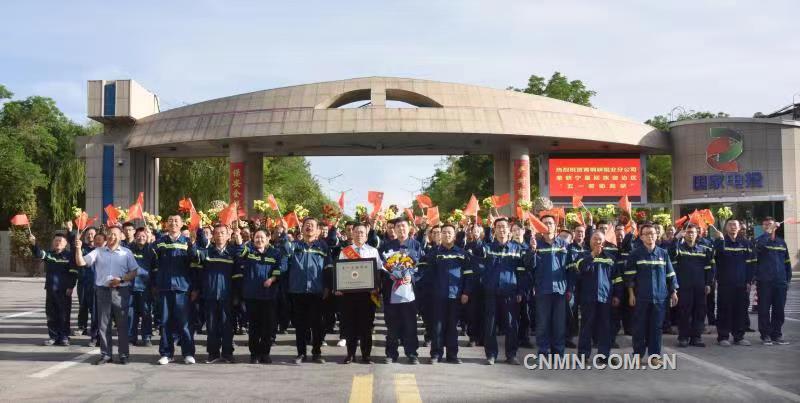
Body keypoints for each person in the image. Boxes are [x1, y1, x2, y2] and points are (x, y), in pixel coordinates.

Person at [75, 227, 139, 365]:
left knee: (122, 325)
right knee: (104, 325)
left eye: (115, 234)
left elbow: (134, 271)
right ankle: (106, 355)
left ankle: (123, 354)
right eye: (110, 234)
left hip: (121, 292)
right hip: (102, 291)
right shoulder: (98, 251)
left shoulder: (126, 253)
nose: (112, 237)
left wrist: (121, 280)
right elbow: (81, 262)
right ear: (106, 236)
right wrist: (78, 248)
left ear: (121, 236)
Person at [474, 217, 528, 365]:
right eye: (498, 227)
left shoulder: (517, 249)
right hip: (491, 292)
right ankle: (491, 355)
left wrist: (520, 291)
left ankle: (511, 355)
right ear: (494, 230)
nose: (502, 229)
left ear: (509, 230)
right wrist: (478, 236)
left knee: (511, 325)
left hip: (510, 293)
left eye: (504, 227)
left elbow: (522, 272)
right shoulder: (488, 248)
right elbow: (477, 252)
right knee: (490, 325)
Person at [624, 223, 678, 365]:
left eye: (652, 233)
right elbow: (629, 277)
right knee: (639, 327)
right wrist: (631, 294)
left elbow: (670, 274)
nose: (650, 236)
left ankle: (654, 356)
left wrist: (673, 292)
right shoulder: (635, 254)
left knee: (656, 328)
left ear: (657, 235)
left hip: (660, 298)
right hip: (641, 297)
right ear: (641, 237)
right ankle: (637, 355)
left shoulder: (663, 253)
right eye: (646, 233)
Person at [419, 224, 472, 364]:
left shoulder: (462, 253)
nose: (447, 235)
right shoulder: (433, 254)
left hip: (456, 296)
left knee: (452, 327)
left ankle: (452, 355)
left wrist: (466, 292)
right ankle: (436, 354)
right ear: (439, 235)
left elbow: (468, 275)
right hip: (437, 296)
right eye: (444, 232)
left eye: (450, 233)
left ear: (454, 236)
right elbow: (427, 276)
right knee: (437, 326)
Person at [282, 217, 332, 364]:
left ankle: (316, 353)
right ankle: (301, 353)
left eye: (312, 225)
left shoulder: (323, 247)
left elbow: (328, 269)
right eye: (306, 225)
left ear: (318, 230)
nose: (309, 227)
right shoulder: (293, 246)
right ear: (302, 229)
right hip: (297, 292)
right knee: (300, 325)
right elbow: (285, 260)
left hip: (317, 292)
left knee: (317, 325)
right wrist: (285, 233)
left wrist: (328, 287)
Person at [152, 215, 197, 365]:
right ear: (166, 224)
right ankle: (166, 353)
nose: (173, 223)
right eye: (170, 220)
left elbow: (195, 262)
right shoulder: (160, 242)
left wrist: (195, 243)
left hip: (182, 288)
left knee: (184, 323)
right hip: (164, 287)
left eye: (176, 221)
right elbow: (152, 260)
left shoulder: (187, 242)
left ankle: (188, 353)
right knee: (165, 322)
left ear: (182, 224)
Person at [237, 228, 286, 363]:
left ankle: (265, 353)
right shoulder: (249, 251)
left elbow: (280, 269)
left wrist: (272, 279)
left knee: (268, 326)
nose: (259, 240)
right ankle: (254, 354)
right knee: (254, 327)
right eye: (257, 237)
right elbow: (239, 254)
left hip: (269, 295)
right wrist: (239, 241)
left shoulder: (275, 253)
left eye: (262, 237)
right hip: (252, 295)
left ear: (268, 238)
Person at [192, 224, 239, 363]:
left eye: (223, 233)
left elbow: (237, 276)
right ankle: (213, 353)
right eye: (217, 233)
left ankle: (227, 353)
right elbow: (194, 256)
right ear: (212, 236)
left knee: (227, 326)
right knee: (211, 326)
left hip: (227, 295)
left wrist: (236, 295)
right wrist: (194, 240)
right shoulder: (207, 253)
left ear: (228, 235)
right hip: (210, 295)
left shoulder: (232, 254)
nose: (220, 235)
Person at [380, 217, 423, 364]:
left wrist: (412, 277)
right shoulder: (386, 246)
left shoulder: (416, 245)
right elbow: (381, 267)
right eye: (398, 227)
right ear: (394, 229)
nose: (400, 229)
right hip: (391, 292)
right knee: (392, 325)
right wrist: (389, 275)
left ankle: (412, 353)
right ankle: (391, 353)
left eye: (403, 226)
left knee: (410, 324)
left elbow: (423, 267)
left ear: (409, 227)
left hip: (409, 293)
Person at [336, 223, 381, 364]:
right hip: (349, 294)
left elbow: (379, 271)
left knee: (366, 326)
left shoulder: (373, 251)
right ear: (352, 234)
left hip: (367, 295)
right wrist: (338, 287)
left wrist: (377, 287)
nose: (359, 234)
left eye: (362, 232)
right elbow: (340, 271)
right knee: (350, 325)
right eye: (356, 232)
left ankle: (366, 355)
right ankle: (350, 354)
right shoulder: (345, 251)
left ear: (366, 236)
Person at [575, 231, 622, 362]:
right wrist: (592, 255)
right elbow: (580, 268)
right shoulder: (582, 256)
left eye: (600, 239)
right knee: (586, 327)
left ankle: (604, 356)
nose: (597, 242)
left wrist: (617, 295)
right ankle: (583, 355)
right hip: (588, 298)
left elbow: (617, 278)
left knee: (605, 328)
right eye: (595, 239)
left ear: (604, 242)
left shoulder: (610, 258)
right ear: (590, 241)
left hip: (605, 298)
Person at [528, 215, 570, 357]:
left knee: (559, 324)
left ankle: (558, 352)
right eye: (544, 223)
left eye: (550, 223)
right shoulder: (537, 244)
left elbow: (569, 268)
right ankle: (543, 351)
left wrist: (569, 288)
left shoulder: (563, 245)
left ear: (555, 226)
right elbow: (530, 266)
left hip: (560, 289)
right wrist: (532, 250)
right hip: (542, 289)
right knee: (543, 323)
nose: (548, 225)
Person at [669, 224, 714, 347]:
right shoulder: (679, 248)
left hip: (700, 286)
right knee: (684, 312)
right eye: (688, 232)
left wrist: (708, 283)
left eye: (693, 232)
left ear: (697, 234)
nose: (690, 234)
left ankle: (696, 337)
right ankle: (683, 337)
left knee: (699, 312)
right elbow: (670, 252)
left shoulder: (703, 250)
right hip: (684, 287)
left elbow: (709, 268)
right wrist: (676, 238)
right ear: (685, 234)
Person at [713, 219, 756, 347]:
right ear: (726, 228)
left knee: (740, 310)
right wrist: (719, 241)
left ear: (739, 228)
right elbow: (714, 258)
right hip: (725, 283)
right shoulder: (721, 241)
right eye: (730, 225)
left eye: (735, 225)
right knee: (724, 310)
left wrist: (749, 281)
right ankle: (723, 337)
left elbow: (752, 263)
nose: (733, 227)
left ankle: (739, 336)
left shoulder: (746, 243)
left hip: (741, 284)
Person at [29, 232, 77, 346]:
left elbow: (74, 273)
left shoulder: (70, 256)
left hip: (64, 291)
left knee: (64, 314)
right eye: (56, 240)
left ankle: (64, 336)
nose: (57, 242)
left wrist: (71, 286)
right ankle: (53, 336)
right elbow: (39, 253)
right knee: (51, 314)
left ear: (65, 244)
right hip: (51, 290)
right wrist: (33, 244)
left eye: (60, 241)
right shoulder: (49, 255)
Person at [753, 217, 791, 345]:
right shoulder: (760, 240)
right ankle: (765, 335)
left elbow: (787, 262)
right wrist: (768, 233)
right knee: (764, 309)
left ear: (776, 225)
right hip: (765, 282)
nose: (769, 226)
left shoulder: (781, 242)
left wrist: (788, 279)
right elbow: (758, 249)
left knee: (779, 309)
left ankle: (777, 335)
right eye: (766, 224)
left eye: (771, 224)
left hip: (780, 282)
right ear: (763, 227)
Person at [129, 227, 156, 347]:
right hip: (130, 287)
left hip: (145, 287)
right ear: (135, 237)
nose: (141, 238)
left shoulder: (151, 250)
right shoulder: (129, 249)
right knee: (131, 314)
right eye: (139, 236)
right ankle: (131, 338)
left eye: (144, 236)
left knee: (146, 313)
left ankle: (146, 337)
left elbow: (155, 269)